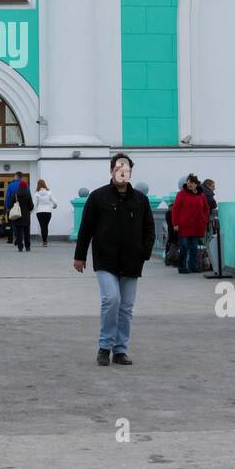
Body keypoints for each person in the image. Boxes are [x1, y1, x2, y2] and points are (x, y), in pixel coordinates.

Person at [73, 153, 155, 367]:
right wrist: (79, 256)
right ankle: (104, 347)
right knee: (111, 300)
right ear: (111, 171)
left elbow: (149, 229)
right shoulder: (98, 197)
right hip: (105, 259)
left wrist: (144, 252)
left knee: (126, 307)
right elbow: (86, 228)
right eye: (118, 168)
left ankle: (120, 350)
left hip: (131, 261)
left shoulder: (140, 199)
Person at [170, 174, 210, 274]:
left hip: (197, 226)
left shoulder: (201, 195)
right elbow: (175, 209)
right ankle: (182, 267)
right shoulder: (181, 194)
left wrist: (204, 219)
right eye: (188, 182)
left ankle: (193, 266)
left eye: (191, 182)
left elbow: (206, 208)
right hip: (184, 226)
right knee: (184, 247)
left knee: (194, 248)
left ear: (196, 184)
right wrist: (175, 224)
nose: (189, 184)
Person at [33, 178, 58, 247]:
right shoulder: (49, 192)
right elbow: (55, 202)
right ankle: (45, 241)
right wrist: (55, 206)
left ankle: (44, 241)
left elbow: (34, 204)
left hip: (39, 212)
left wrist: (31, 211)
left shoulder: (36, 194)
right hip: (48, 211)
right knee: (46, 226)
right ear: (44, 184)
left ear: (38, 185)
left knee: (42, 226)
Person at [13, 175, 34, 252]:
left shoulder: (15, 195)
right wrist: (28, 210)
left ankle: (20, 247)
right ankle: (27, 247)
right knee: (26, 232)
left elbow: (11, 204)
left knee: (19, 232)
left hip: (17, 216)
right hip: (26, 216)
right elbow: (31, 206)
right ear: (26, 187)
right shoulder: (28, 195)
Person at [4, 173, 22, 243]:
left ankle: (12, 238)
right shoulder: (25, 184)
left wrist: (7, 207)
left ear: (17, 177)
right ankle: (20, 237)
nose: (13, 177)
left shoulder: (11, 185)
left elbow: (8, 197)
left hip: (12, 207)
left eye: (14, 176)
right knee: (21, 223)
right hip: (22, 207)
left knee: (12, 223)